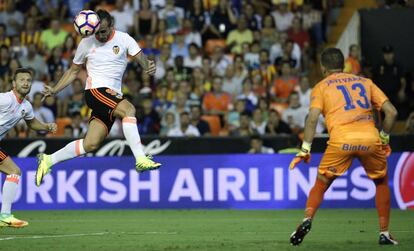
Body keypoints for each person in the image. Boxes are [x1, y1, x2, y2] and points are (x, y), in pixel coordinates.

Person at [36, 10, 161, 187]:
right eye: (97, 31)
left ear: (112, 26)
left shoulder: (124, 39)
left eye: (103, 31)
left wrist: (149, 66)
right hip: (96, 91)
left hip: (113, 95)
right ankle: (141, 158)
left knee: (91, 144)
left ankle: (48, 160)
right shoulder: (86, 43)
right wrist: (55, 90)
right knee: (129, 110)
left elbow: (142, 59)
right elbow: (73, 71)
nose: (100, 35)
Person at [288, 48, 398, 246]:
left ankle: (307, 219)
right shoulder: (366, 82)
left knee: (321, 183)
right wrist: (384, 138)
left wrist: (305, 149)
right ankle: (384, 233)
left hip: (341, 140)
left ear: (323, 68)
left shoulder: (321, 87)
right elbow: (392, 113)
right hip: (369, 138)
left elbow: (312, 119)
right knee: (381, 182)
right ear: (344, 64)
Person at [0, 68, 57, 227]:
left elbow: (32, 123)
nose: (25, 83)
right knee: (14, 171)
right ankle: (5, 215)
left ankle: (5, 215)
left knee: (14, 172)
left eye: (28, 80)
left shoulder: (26, 106)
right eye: (21, 80)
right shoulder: (5, 99)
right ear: (13, 83)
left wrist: (46, 127)